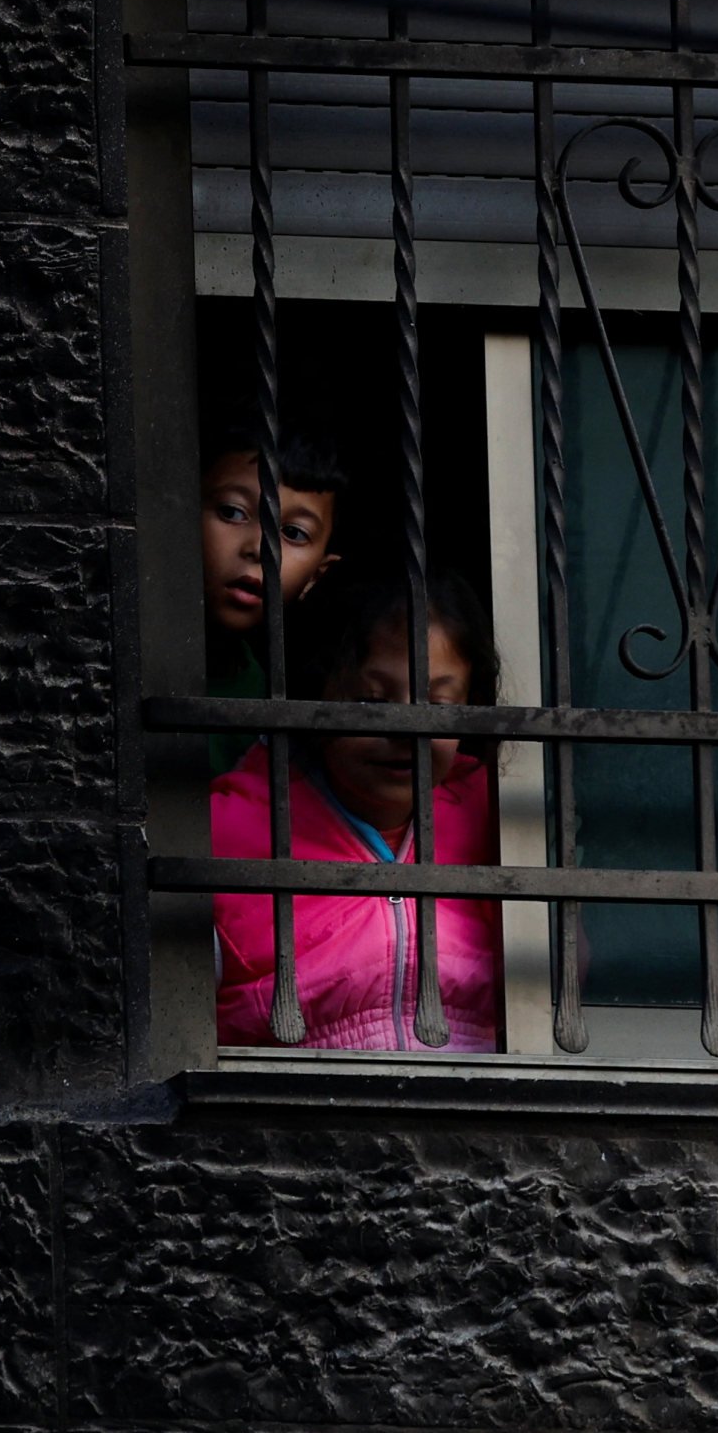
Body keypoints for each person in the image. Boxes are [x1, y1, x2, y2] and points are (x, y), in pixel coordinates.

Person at [210, 569, 503, 1053]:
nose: (408, 729)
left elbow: (565, 976)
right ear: (316, 694)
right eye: (371, 700)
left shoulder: (497, 817)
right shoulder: (234, 827)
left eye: (439, 702)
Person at [198, 420, 343, 771]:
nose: (260, 549)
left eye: (293, 533)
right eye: (233, 512)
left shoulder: (269, 694)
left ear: (316, 576)